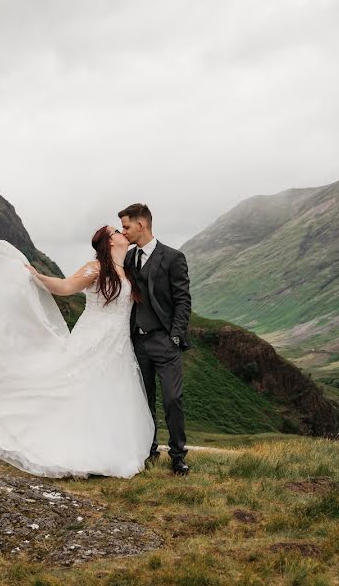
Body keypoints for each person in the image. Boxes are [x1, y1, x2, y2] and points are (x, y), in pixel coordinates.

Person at [0, 226, 156, 479]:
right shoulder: (97, 268)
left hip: (118, 342)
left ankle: (110, 449)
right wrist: (38, 277)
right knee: (80, 388)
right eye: (116, 231)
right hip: (93, 337)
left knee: (110, 391)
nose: (122, 232)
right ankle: (75, 449)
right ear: (109, 242)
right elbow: (66, 286)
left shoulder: (127, 270)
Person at [119, 203, 192, 476]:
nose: (124, 232)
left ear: (142, 224)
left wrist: (175, 336)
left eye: (127, 226)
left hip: (164, 341)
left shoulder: (173, 258)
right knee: (144, 400)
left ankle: (178, 456)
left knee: (173, 399)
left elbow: (183, 300)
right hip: (136, 343)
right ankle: (149, 450)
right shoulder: (127, 258)